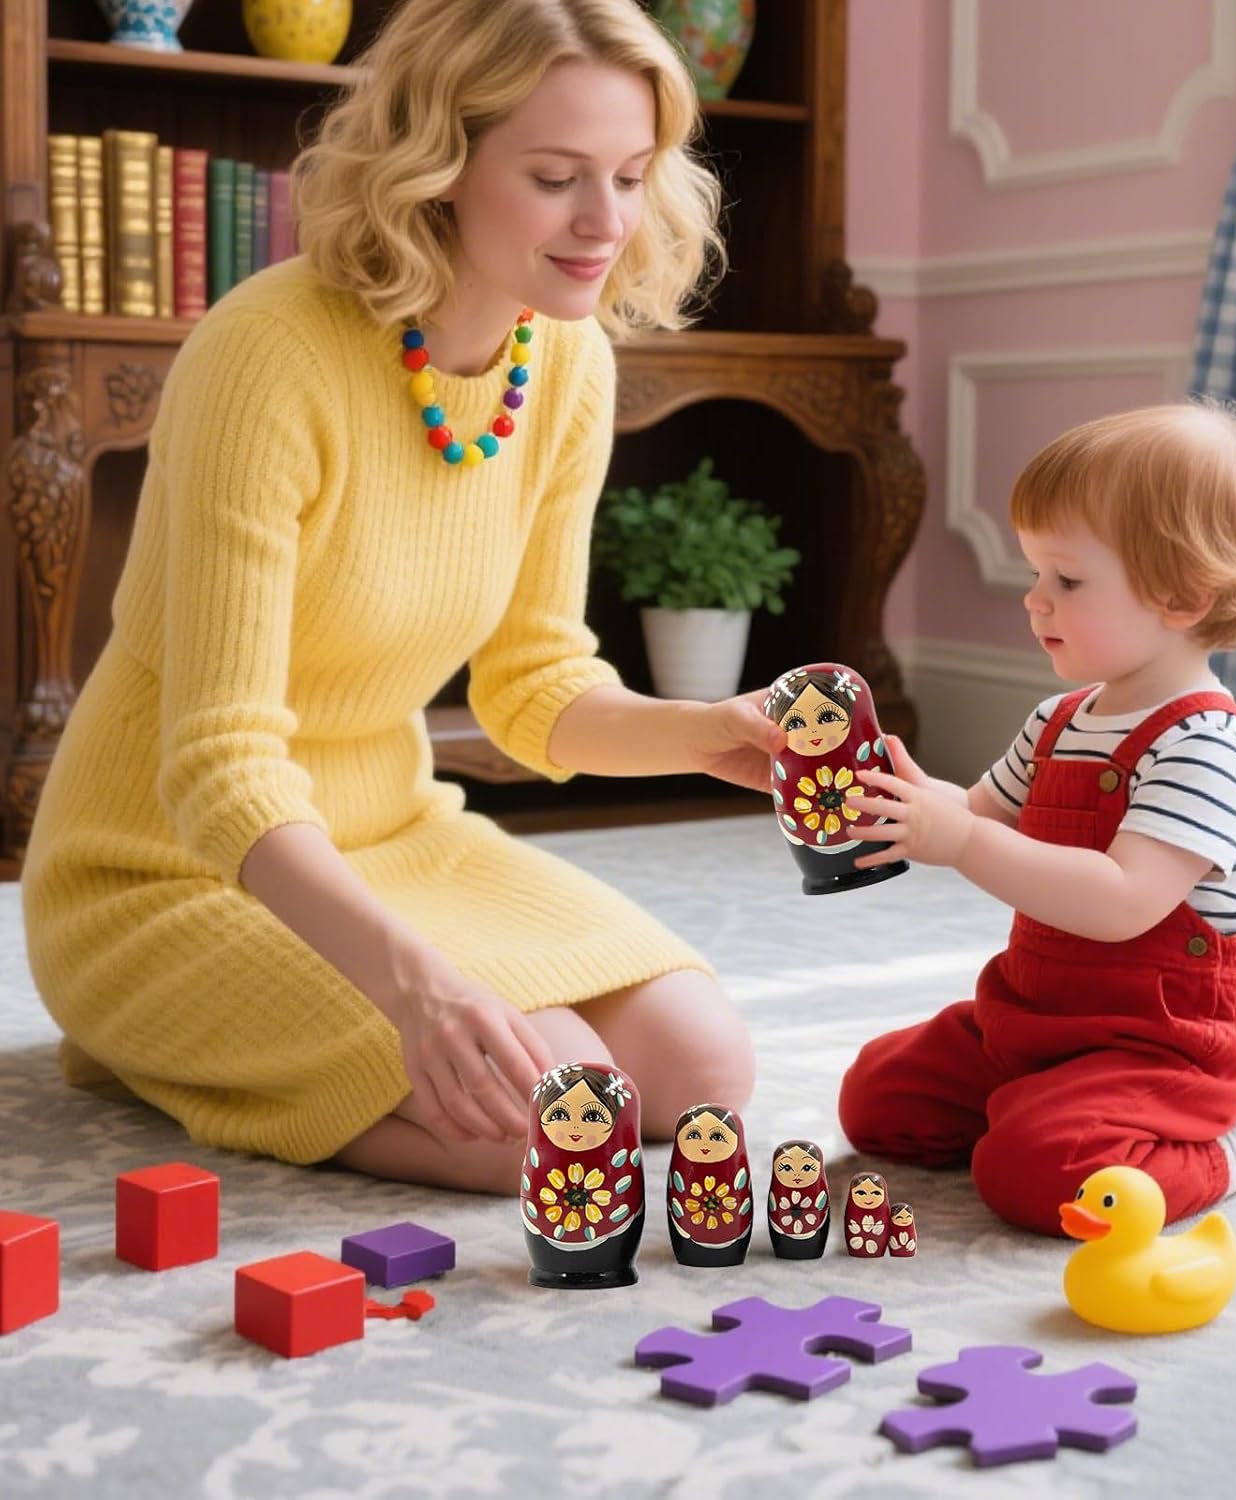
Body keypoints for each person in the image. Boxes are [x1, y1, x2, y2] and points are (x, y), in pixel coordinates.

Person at [21, 0, 782, 1193]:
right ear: (438, 164)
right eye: (556, 178)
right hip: (164, 870)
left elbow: (536, 686)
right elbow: (219, 768)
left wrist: (707, 733)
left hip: (393, 839)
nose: (607, 222)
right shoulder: (267, 353)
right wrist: (417, 987)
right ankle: (170, 1046)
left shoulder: (564, 358)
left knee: (704, 1068)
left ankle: (312, 1049)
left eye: (632, 177)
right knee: (557, 1114)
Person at [838, 403, 1236, 1234]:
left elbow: (1122, 900)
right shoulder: (1060, 720)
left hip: (1161, 1047)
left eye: (1067, 580)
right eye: (1036, 575)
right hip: (1031, 1019)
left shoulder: (1206, 744)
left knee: (1038, 1178)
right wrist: (905, 801)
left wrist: (963, 841)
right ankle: (1047, 1105)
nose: (1035, 601)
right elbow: (977, 812)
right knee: (877, 1096)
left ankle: (1231, 1149)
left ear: (1182, 596)